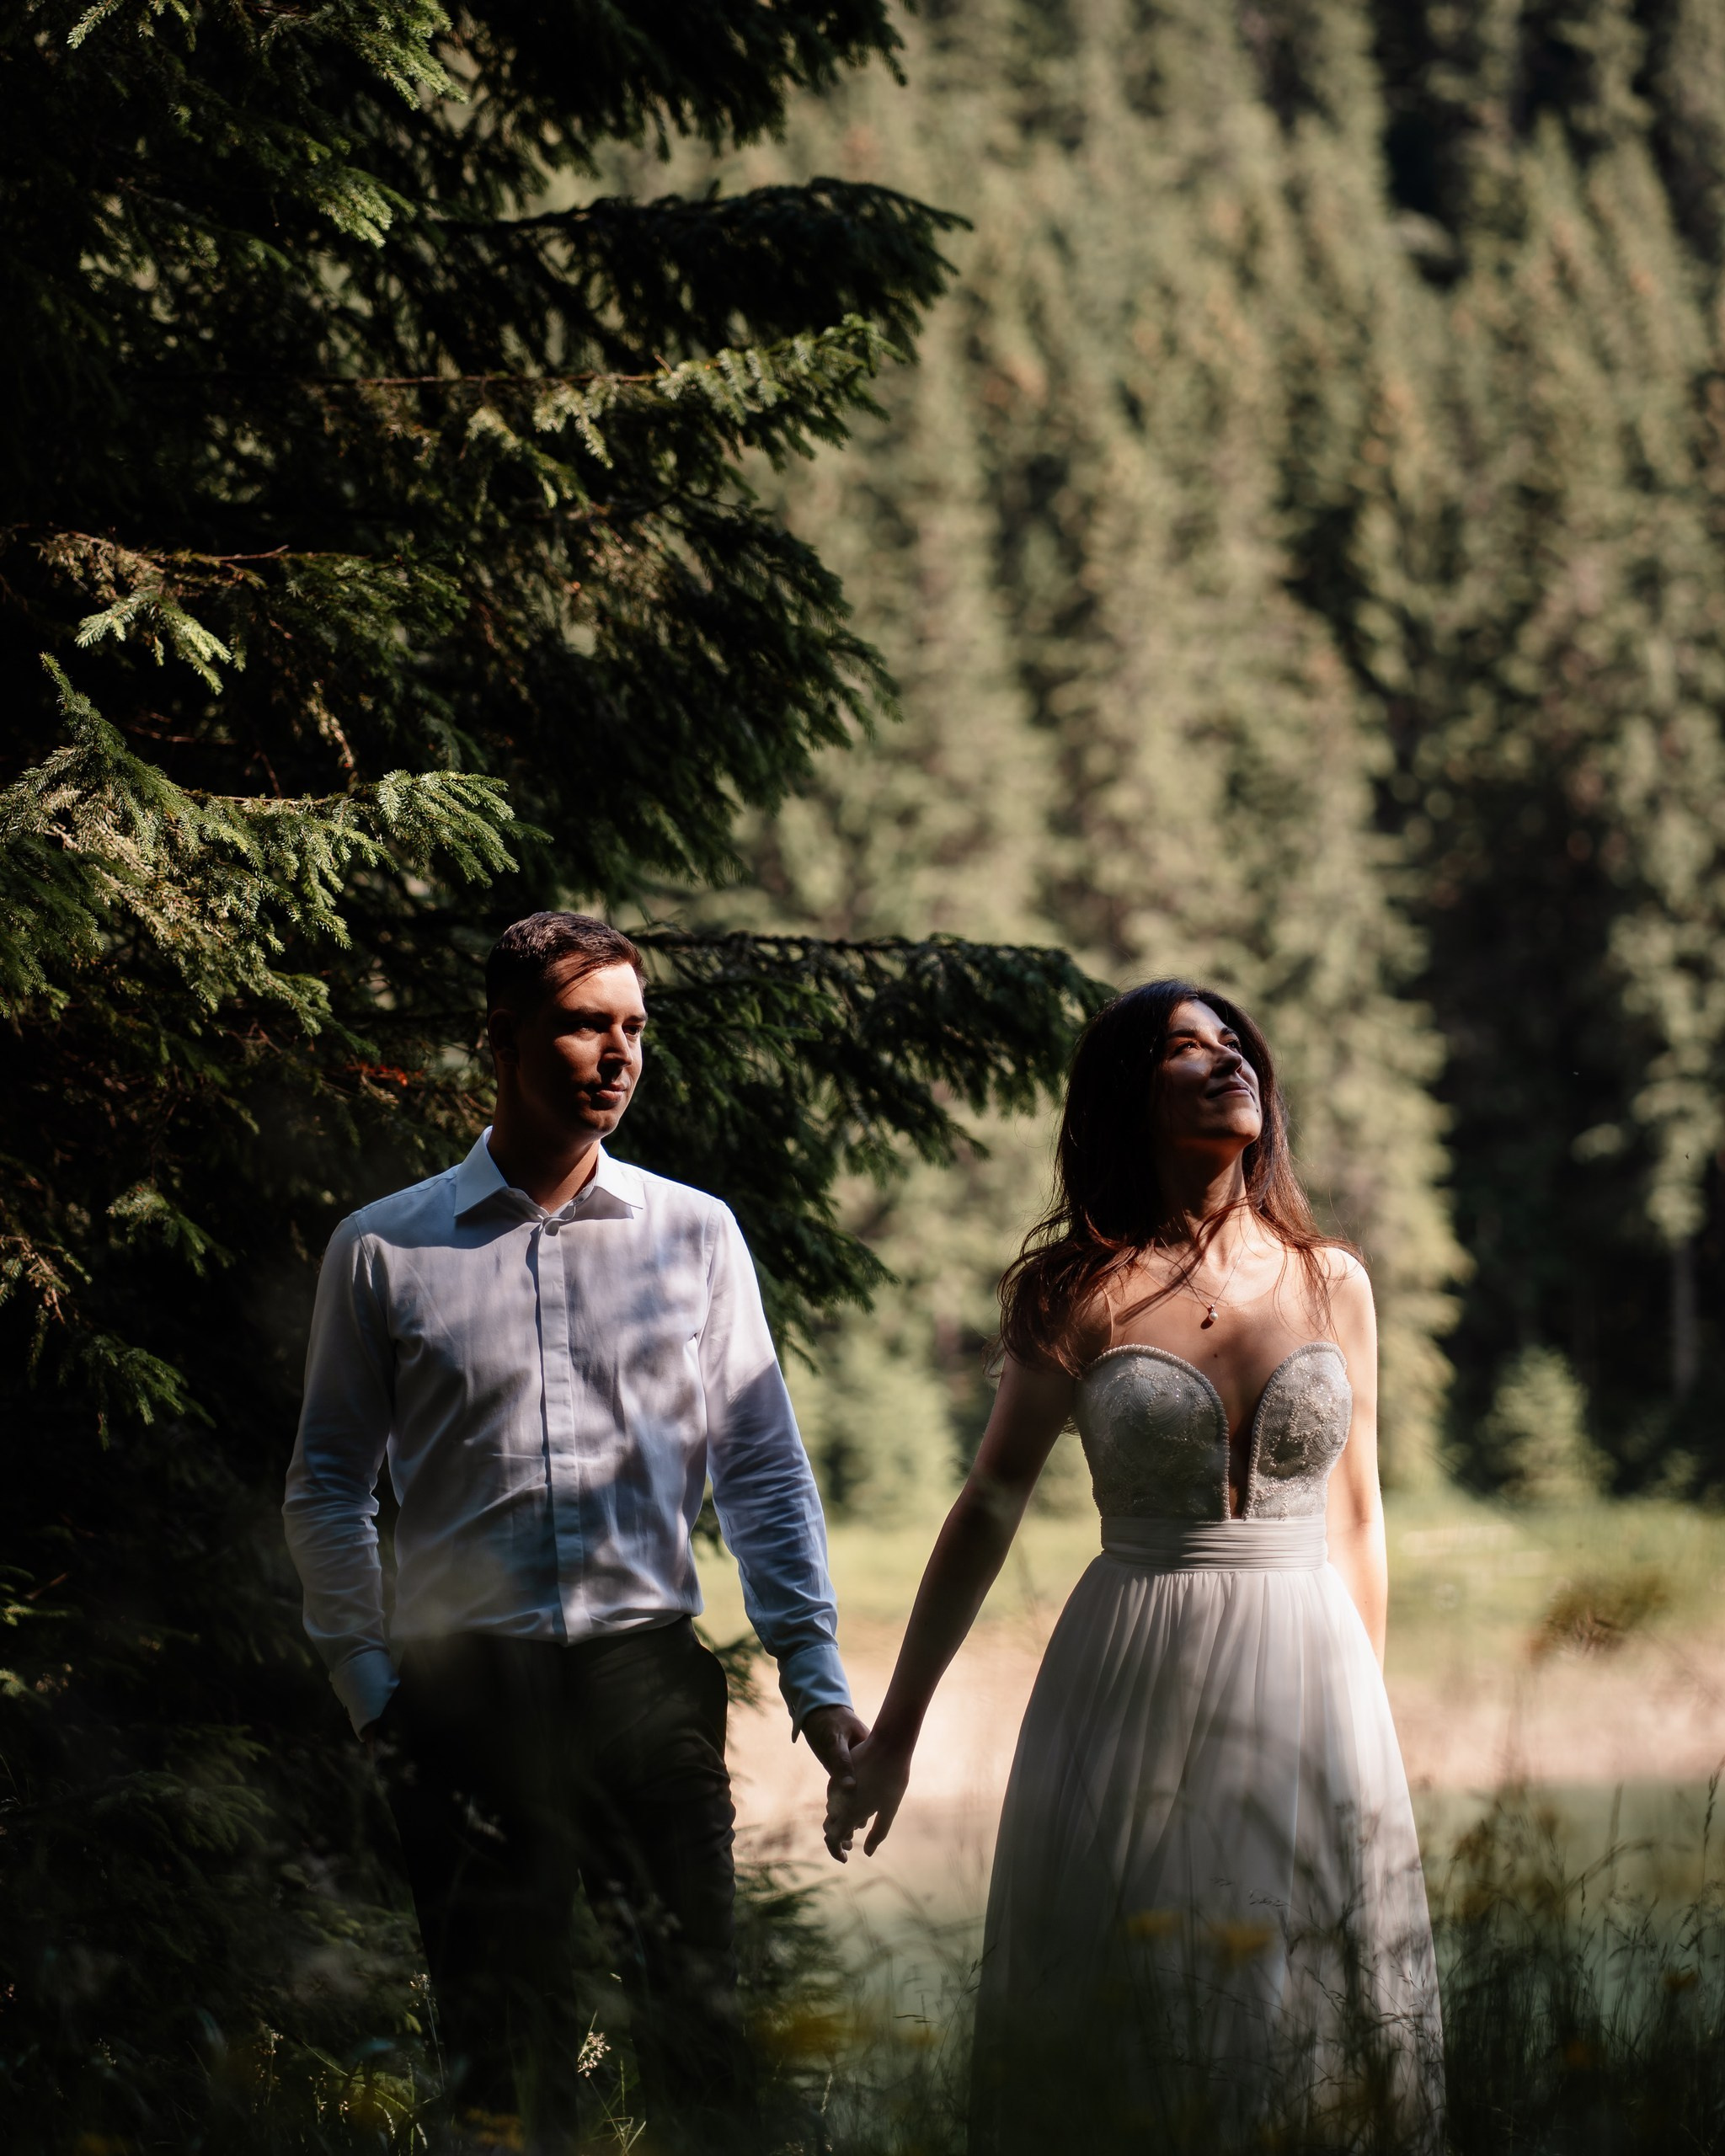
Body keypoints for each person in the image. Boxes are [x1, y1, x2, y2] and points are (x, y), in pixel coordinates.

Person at [823, 981, 1444, 2153]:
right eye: (1183, 1049)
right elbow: (987, 1508)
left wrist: (1367, 1714)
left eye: (1235, 1044)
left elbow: (1359, 1519)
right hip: (1132, 1673)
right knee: (1135, 2009)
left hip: (1313, 1673)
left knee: (1307, 2011)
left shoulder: (1334, 1282)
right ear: (1127, 1093)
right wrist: (895, 1735)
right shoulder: (1076, 1293)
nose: (1227, 1063)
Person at [284, 911, 865, 2149]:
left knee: (697, 2028)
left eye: (635, 1029)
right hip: (462, 1697)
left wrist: (815, 1683)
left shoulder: (695, 1234)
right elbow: (330, 1481)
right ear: (499, 1041)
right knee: (500, 2052)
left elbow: (760, 1466)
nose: (620, 1054)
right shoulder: (386, 1248)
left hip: (644, 1681)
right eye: (586, 1025)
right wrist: (368, 1684)